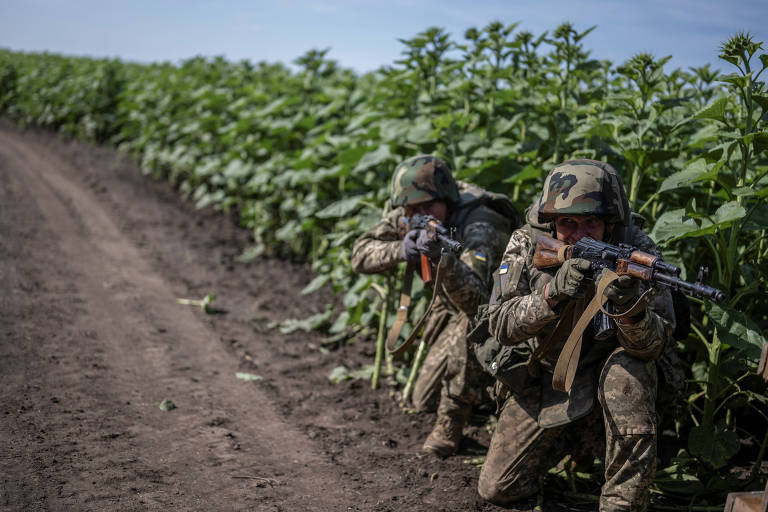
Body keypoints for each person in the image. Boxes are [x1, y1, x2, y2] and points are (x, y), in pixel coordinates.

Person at [477, 159, 677, 511]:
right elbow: (500, 325)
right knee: (498, 487)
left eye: (591, 223)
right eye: (567, 223)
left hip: (612, 381)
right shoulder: (527, 243)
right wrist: (552, 294)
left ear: (610, 223)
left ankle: (621, 502)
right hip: (548, 379)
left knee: (628, 368)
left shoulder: (637, 249)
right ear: (550, 220)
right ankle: (570, 441)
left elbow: (656, 345)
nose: (579, 234)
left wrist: (630, 309)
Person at [351, 155, 519, 457]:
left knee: (475, 323)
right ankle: (479, 393)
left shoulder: (481, 223)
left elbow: (479, 302)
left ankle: (452, 423)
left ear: (447, 199)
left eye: (428, 208)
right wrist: (401, 249)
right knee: (422, 400)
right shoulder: (410, 213)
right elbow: (360, 254)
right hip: (449, 308)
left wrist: (446, 259)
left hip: (498, 317)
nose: (421, 214)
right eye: (413, 210)